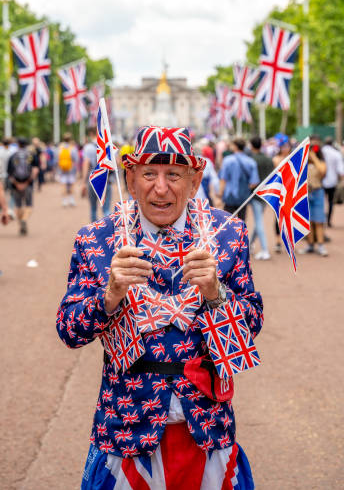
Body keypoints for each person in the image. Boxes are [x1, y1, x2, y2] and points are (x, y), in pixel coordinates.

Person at [57, 126, 263, 490]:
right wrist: (109, 296)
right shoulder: (97, 239)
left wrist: (216, 293)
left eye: (174, 175)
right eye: (150, 173)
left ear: (195, 179)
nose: (161, 188)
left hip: (207, 426)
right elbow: (69, 330)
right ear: (131, 178)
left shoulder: (228, 234)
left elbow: (251, 326)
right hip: (126, 427)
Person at [219, 138, 259, 222]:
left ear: (235, 147)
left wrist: (220, 194)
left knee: (226, 222)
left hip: (229, 195)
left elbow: (223, 179)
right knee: (241, 223)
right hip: (243, 197)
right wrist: (245, 189)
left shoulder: (227, 160)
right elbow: (254, 182)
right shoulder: (251, 161)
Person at [299, 141, 328, 256]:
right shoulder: (303, 164)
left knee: (319, 220)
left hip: (317, 192)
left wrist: (314, 157)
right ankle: (310, 244)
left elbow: (322, 171)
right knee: (308, 221)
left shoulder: (320, 163)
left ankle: (321, 245)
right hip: (305, 194)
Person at [7, 137, 39, 235]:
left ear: (18, 144)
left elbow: (9, 173)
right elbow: (35, 170)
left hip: (15, 184)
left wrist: (17, 183)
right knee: (29, 205)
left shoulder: (13, 156)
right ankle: (24, 219)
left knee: (18, 205)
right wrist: (27, 182)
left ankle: (20, 224)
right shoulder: (31, 155)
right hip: (28, 184)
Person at [249, 136, 274, 260]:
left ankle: (265, 249)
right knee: (258, 221)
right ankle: (249, 245)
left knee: (259, 222)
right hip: (266, 194)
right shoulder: (269, 159)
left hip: (255, 195)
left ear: (252, 145)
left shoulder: (251, 159)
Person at [82, 127, 114, 221]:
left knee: (93, 208)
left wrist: (84, 182)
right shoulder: (108, 146)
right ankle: (107, 231)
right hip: (106, 179)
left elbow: (86, 164)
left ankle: (94, 231)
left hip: (93, 179)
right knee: (106, 209)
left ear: (91, 133)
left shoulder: (88, 147)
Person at [272, 136, 291, 253]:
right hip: (279, 191)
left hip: (289, 190)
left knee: (289, 216)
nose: (286, 148)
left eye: (287, 146)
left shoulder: (291, 158)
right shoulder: (276, 159)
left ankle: (288, 240)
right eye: (283, 146)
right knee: (278, 217)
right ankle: (278, 241)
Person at [321, 137, 344, 227]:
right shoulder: (336, 153)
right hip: (332, 181)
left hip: (320, 181)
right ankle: (329, 220)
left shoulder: (320, 152)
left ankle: (321, 219)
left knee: (321, 201)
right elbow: (341, 170)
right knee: (331, 202)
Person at [57, 132, 79, 207]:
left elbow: (57, 159)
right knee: (72, 184)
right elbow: (76, 159)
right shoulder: (72, 148)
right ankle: (71, 200)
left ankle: (64, 201)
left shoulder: (60, 148)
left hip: (62, 169)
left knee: (63, 185)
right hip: (71, 169)